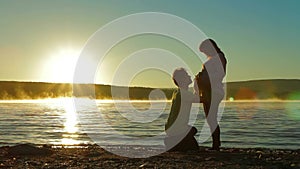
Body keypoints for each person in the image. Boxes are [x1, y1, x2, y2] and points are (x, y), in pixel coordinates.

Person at [195, 38, 227, 151]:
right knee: (210, 118)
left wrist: (205, 78)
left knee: (211, 118)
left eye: (205, 51)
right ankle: (216, 143)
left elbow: (220, 74)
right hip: (207, 91)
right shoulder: (212, 58)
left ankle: (216, 144)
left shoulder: (219, 57)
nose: (205, 53)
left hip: (213, 91)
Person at [165, 68, 200, 152]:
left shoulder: (177, 92)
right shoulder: (184, 94)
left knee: (192, 133)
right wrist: (196, 86)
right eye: (187, 75)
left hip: (170, 128)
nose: (189, 76)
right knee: (193, 132)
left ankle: (174, 141)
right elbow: (199, 99)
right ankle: (174, 142)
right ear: (182, 79)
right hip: (178, 129)